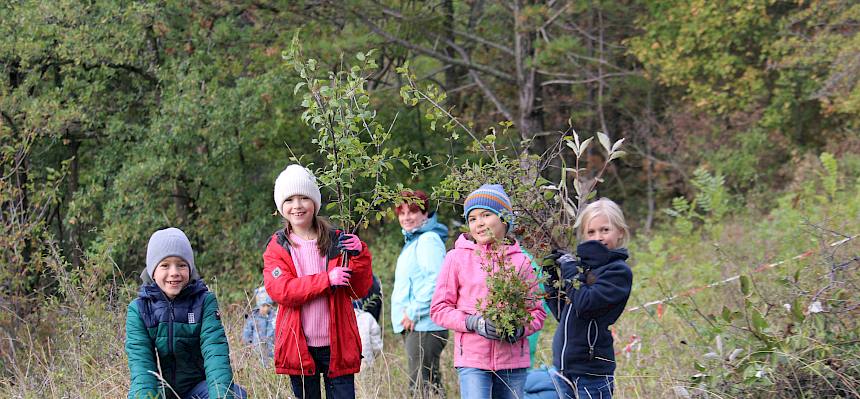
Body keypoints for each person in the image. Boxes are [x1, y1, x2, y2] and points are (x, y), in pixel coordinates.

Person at [262, 164, 373, 399]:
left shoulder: (337, 241)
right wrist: (326, 280)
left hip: (338, 344)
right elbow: (282, 291)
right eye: (290, 199)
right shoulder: (277, 247)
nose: (297, 206)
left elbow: (359, 289)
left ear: (315, 202)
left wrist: (360, 255)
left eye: (304, 198)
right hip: (300, 347)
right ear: (282, 207)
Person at [430, 184, 546, 399]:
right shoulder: (456, 258)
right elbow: (439, 309)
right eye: (472, 218)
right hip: (472, 361)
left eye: (485, 215)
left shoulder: (522, 261)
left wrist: (519, 329)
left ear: (504, 218)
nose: (479, 223)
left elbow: (537, 312)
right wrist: (474, 322)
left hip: (513, 361)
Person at [126, 227, 246, 399]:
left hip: (198, 387)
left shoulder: (205, 302)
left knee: (236, 395)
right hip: (162, 390)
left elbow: (215, 355)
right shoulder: (139, 309)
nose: (174, 272)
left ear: (190, 269)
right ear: (153, 271)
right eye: (165, 265)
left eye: (181, 265)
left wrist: (221, 396)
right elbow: (142, 368)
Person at [544, 198, 633, 399]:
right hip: (564, 368)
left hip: (592, 373)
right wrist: (550, 277)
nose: (598, 237)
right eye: (591, 232)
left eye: (605, 230)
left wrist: (568, 269)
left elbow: (585, 304)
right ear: (583, 236)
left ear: (620, 232)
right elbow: (564, 312)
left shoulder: (617, 272)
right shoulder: (582, 268)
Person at [391, 190, 449, 398]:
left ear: (425, 214)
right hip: (418, 326)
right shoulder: (415, 240)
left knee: (421, 387)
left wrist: (413, 312)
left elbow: (436, 280)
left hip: (424, 324)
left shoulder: (428, 240)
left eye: (412, 212)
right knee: (429, 385)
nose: (406, 217)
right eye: (402, 213)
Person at [242, 286, 276, 365]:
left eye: (268, 306)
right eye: (263, 306)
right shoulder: (253, 317)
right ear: (259, 305)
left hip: (271, 353)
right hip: (257, 353)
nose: (266, 308)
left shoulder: (274, 317)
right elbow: (247, 333)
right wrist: (248, 345)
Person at [353, 300, 383, 369]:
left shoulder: (340, 317)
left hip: (345, 365)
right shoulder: (368, 317)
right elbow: (377, 346)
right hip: (366, 362)